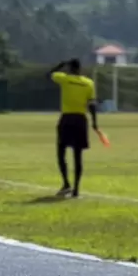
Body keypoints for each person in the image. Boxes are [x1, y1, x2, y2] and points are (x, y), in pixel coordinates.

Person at [48, 59, 98, 198]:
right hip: (81, 119)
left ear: (69, 68)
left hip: (67, 118)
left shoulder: (64, 79)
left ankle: (66, 184)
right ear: (80, 69)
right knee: (78, 156)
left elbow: (49, 74)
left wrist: (60, 65)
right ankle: (76, 190)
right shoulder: (89, 83)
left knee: (61, 151)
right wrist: (95, 122)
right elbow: (92, 104)